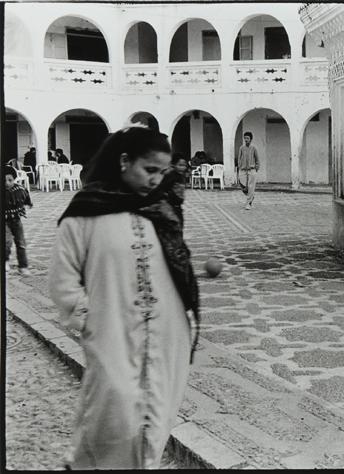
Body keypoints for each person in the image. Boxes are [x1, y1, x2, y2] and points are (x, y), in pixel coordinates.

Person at [48, 126, 200, 469]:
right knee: (112, 411)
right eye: (149, 170)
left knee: (157, 415)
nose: (156, 180)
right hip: (111, 333)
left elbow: (179, 264)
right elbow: (63, 279)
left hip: (167, 334)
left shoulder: (161, 208)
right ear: (123, 161)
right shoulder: (85, 212)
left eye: (162, 172)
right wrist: (90, 322)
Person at [4, 166, 33, 275]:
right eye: (4, 180)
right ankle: (5, 260)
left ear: (14, 179)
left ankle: (23, 266)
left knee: (21, 242)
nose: (7, 183)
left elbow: (26, 196)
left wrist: (28, 204)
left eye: (10, 180)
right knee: (6, 242)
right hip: (4, 221)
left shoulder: (20, 189)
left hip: (16, 220)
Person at [236, 131, 260, 210]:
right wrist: (239, 166)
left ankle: (249, 203)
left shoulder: (254, 148)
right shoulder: (241, 148)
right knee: (242, 184)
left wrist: (256, 167)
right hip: (243, 170)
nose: (246, 140)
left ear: (251, 139)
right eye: (245, 138)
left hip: (251, 170)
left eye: (247, 138)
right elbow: (239, 158)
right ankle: (251, 196)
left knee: (251, 187)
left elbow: (257, 159)